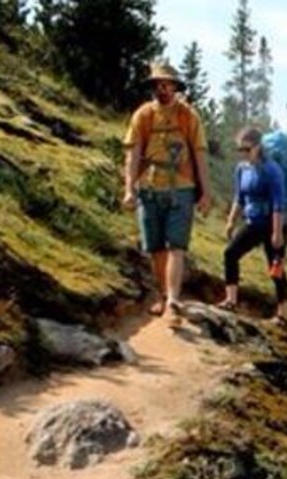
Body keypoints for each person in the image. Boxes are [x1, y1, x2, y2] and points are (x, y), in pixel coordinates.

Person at [122, 62, 212, 320]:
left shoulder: (188, 116)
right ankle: (162, 296)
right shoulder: (143, 116)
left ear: (174, 86)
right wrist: (129, 188)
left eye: (167, 84)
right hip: (149, 187)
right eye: (157, 84)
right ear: (152, 87)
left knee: (177, 246)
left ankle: (173, 299)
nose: (162, 88)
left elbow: (199, 154)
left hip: (182, 187)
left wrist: (206, 192)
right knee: (156, 248)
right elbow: (133, 153)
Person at [219, 127, 287, 325]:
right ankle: (231, 300)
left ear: (258, 147)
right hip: (253, 223)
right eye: (239, 149)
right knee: (230, 253)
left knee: (275, 268)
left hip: (272, 223)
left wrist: (277, 232)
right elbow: (239, 197)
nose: (243, 153)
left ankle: (283, 313)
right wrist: (231, 221)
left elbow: (278, 203)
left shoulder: (272, 170)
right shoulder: (242, 169)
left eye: (247, 149)